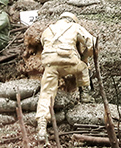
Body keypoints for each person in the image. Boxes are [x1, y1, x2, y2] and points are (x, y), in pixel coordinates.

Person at [36, 12, 95, 141]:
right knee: (83, 68)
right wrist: (84, 57)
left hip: (51, 64)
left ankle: (41, 125)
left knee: (46, 93)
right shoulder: (74, 27)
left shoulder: (47, 30)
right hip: (69, 61)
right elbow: (92, 42)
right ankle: (85, 95)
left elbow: (44, 44)